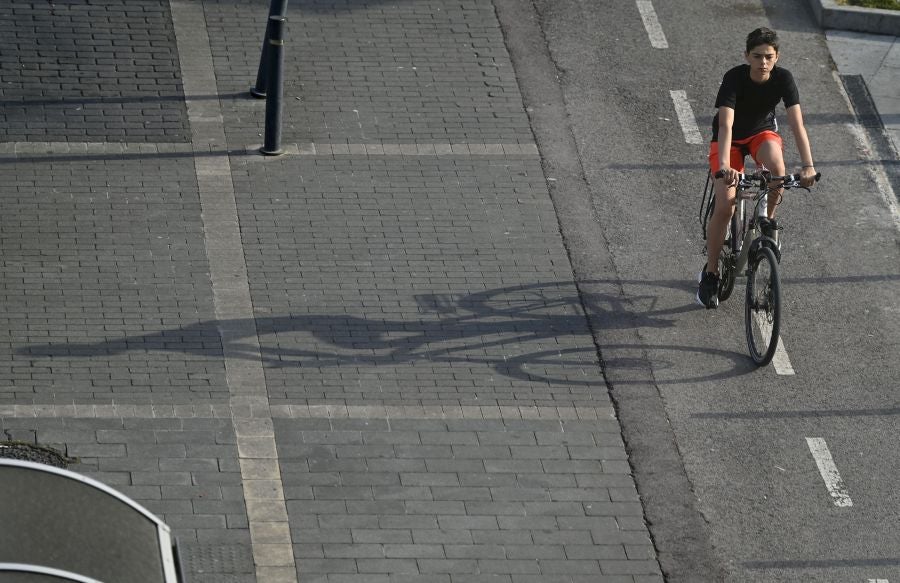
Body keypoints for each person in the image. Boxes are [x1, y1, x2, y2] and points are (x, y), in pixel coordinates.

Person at [697, 27, 818, 309]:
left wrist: (808, 166)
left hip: (761, 134)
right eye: (757, 56)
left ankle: (767, 220)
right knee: (726, 206)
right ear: (747, 56)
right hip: (729, 141)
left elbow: (797, 125)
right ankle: (711, 273)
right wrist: (726, 165)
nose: (763, 62)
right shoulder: (734, 78)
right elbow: (726, 124)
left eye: (769, 57)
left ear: (777, 57)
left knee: (777, 167)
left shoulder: (783, 78)